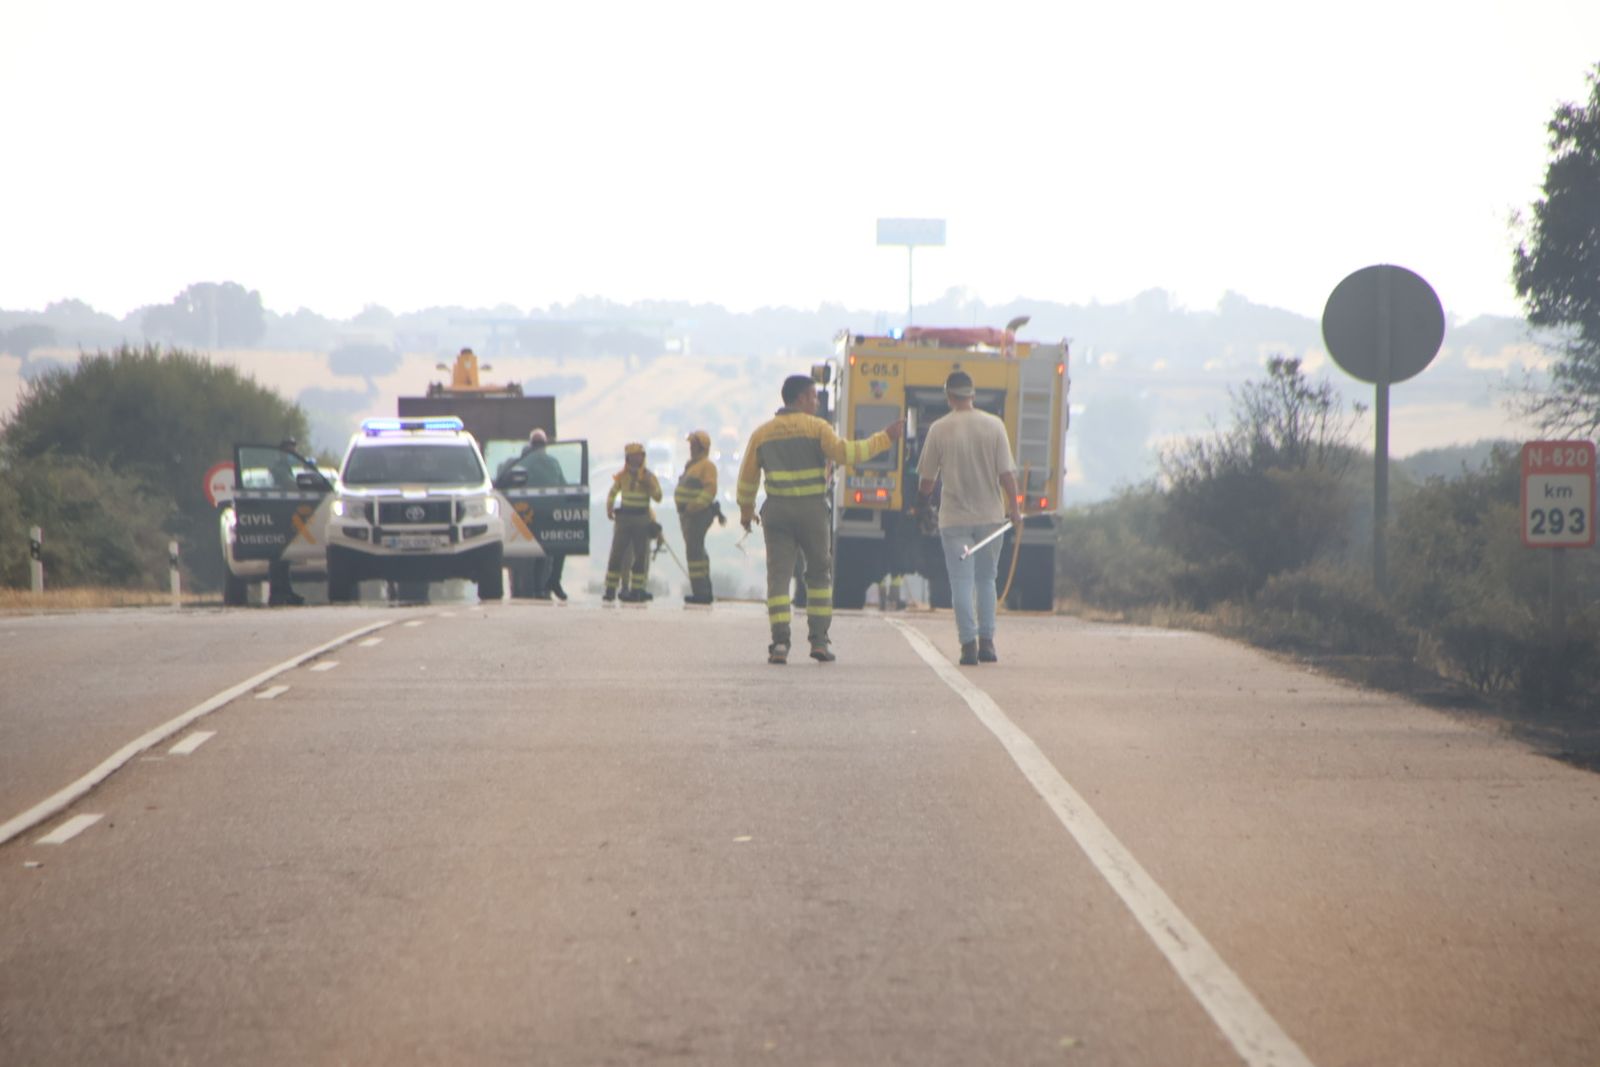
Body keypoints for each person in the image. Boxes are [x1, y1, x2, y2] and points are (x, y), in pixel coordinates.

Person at [737, 375, 904, 664]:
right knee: (818, 576)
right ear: (801, 398)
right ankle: (819, 641)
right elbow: (847, 453)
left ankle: (779, 643)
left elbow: (747, 479)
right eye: (813, 396)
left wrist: (745, 512)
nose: (816, 401)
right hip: (811, 512)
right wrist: (885, 437)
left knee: (778, 578)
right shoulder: (817, 429)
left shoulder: (762, 434)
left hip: (776, 512)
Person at [916, 370, 1024, 666]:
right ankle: (987, 642)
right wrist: (1014, 510)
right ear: (972, 395)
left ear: (949, 396)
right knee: (987, 579)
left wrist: (923, 503)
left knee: (961, 582)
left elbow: (926, 482)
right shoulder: (994, 426)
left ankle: (968, 646)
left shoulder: (939, 429)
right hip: (991, 518)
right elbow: (1007, 475)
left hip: (954, 521)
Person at [500, 429, 569, 600]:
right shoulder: (552, 463)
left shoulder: (517, 463)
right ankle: (550, 582)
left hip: (522, 515)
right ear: (545, 445)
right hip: (544, 513)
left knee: (539, 551)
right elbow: (564, 486)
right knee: (556, 546)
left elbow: (503, 482)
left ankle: (542, 586)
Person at [605, 443, 662, 602]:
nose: (636, 459)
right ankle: (610, 589)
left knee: (640, 556)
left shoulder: (649, 476)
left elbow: (658, 496)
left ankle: (637, 589)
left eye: (639, 456)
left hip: (641, 520)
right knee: (617, 554)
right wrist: (609, 508)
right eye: (633, 456)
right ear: (628, 458)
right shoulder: (622, 476)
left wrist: (648, 485)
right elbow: (612, 492)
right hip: (624, 519)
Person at [675, 429, 721, 604]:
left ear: (702, 447)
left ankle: (700, 593)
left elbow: (710, 490)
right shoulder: (693, 465)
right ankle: (703, 590)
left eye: (694, 445)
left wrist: (693, 507)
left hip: (698, 515)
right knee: (697, 551)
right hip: (689, 516)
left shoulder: (706, 466)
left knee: (694, 553)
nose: (691, 448)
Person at [268, 437, 307, 606]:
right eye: (290, 450)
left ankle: (285, 591)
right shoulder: (279, 468)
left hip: (286, 512)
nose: (293, 453)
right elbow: (290, 485)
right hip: (279, 512)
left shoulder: (287, 467)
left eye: (294, 450)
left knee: (284, 556)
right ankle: (277, 592)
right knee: (278, 556)